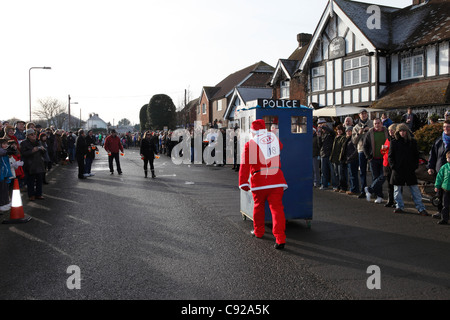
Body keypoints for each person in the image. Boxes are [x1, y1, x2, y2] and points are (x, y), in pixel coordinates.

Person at [239, 119, 288, 250]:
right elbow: (281, 146)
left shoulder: (250, 144)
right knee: (277, 209)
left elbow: (245, 164)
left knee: (258, 206)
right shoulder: (273, 139)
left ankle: (258, 231)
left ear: (252, 131)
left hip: (259, 180)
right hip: (276, 179)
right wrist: (271, 134)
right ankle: (280, 238)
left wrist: (243, 182)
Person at [388, 123, 429, 216]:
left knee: (415, 190)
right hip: (398, 170)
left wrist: (414, 166)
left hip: (409, 169)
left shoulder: (412, 142)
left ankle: (420, 208)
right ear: (398, 132)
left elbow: (416, 155)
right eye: (401, 131)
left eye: (404, 131)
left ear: (407, 132)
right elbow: (390, 157)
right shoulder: (394, 142)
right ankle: (399, 206)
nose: (402, 133)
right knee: (397, 190)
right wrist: (394, 167)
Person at [427, 120, 450, 219]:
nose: (446, 128)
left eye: (448, 127)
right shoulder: (439, 141)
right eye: (444, 127)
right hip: (440, 170)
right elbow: (433, 155)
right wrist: (430, 167)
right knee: (439, 193)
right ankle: (440, 211)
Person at [363, 118, 389, 204]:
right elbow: (365, 146)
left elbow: (388, 143)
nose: (377, 125)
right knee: (375, 177)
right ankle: (379, 195)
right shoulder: (370, 133)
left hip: (384, 159)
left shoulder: (386, 132)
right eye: (375, 124)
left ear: (381, 123)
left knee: (383, 176)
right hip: (373, 159)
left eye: (378, 123)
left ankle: (369, 189)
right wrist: (368, 156)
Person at [352, 109, 373, 199]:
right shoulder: (356, 127)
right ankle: (363, 191)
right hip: (361, 150)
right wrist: (358, 134)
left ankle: (374, 190)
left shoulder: (372, 123)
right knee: (362, 172)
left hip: (372, 150)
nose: (363, 115)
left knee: (373, 171)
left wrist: (370, 130)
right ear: (359, 115)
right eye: (362, 114)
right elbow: (354, 141)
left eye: (365, 113)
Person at [20, 129, 46, 200]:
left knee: (39, 180)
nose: (34, 136)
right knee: (30, 181)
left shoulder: (38, 142)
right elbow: (23, 153)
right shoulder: (24, 143)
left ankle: (39, 194)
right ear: (28, 136)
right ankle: (31, 195)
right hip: (30, 164)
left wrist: (43, 150)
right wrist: (32, 151)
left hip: (39, 163)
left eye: (34, 134)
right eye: (32, 134)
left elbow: (44, 153)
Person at [381, 123, 397, 207]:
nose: (390, 132)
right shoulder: (387, 140)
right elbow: (383, 151)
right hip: (386, 165)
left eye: (392, 130)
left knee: (395, 184)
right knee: (389, 185)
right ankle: (390, 200)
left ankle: (396, 201)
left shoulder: (397, 140)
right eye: (389, 130)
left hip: (393, 165)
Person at [317, 118, 336, 190]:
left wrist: (323, 127)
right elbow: (319, 145)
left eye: (322, 123)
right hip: (323, 154)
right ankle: (324, 185)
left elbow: (333, 132)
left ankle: (335, 185)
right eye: (319, 124)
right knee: (324, 171)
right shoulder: (321, 133)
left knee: (332, 171)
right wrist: (319, 136)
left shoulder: (329, 131)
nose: (321, 125)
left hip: (330, 153)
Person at [341, 126, 359, 196]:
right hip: (348, 159)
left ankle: (354, 189)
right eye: (347, 131)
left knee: (353, 175)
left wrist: (350, 157)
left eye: (349, 131)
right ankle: (353, 188)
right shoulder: (347, 139)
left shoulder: (352, 139)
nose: (348, 132)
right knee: (351, 175)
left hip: (353, 159)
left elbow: (356, 149)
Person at [434, 151, 450, 225]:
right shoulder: (444, 167)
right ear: (446, 158)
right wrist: (437, 186)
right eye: (449, 158)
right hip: (446, 189)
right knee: (445, 205)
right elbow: (439, 177)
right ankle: (444, 219)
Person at [330, 124, 347, 192]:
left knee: (341, 174)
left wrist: (341, 157)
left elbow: (343, 148)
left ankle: (343, 187)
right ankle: (337, 186)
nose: (338, 131)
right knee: (336, 173)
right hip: (335, 158)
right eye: (337, 130)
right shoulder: (336, 137)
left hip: (340, 158)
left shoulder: (343, 137)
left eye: (340, 130)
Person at [0, 138, 14, 213]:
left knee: (5, 189)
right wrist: (8, 150)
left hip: (5, 173)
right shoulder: (3, 151)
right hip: (1, 174)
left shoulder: (5, 152)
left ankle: (5, 202)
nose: (5, 145)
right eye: (3, 144)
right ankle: (2, 204)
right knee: (2, 190)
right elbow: (3, 152)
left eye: (6, 144)